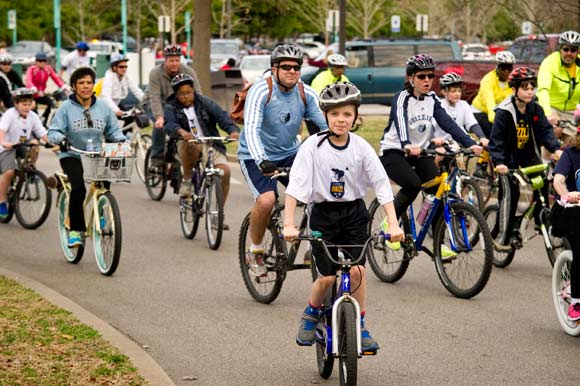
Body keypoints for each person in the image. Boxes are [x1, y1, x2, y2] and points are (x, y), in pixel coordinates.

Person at [283, 82, 404, 351]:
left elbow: (382, 186)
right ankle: (311, 313)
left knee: (358, 271)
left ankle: (359, 325)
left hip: (354, 214)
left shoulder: (361, 147)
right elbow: (296, 188)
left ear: (355, 117)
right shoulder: (312, 147)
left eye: (347, 114)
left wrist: (393, 224)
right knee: (326, 278)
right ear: (325, 115)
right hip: (323, 215)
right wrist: (289, 224)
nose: (341, 120)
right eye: (335, 114)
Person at [237, 43, 328, 275]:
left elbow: (326, 124)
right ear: (274, 69)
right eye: (286, 67)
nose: (292, 71)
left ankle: (312, 247)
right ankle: (255, 250)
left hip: (289, 153)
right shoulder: (261, 90)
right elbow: (252, 129)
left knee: (319, 193)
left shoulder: (305, 93)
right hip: (256, 155)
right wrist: (261, 160)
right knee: (267, 201)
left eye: (296, 67)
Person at [379, 54, 482, 256]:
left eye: (430, 76)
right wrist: (407, 144)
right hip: (394, 151)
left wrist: (470, 143)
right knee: (412, 185)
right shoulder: (401, 98)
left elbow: (448, 123)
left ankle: (439, 245)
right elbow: (400, 121)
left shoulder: (433, 99)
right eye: (422, 76)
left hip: (421, 152)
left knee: (437, 191)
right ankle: (388, 224)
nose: (427, 80)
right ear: (411, 78)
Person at [47, 67, 126, 247]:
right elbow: (53, 131)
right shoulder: (66, 107)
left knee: (105, 184)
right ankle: (75, 229)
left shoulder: (103, 107)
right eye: (81, 83)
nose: (86, 86)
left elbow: (113, 130)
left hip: (96, 154)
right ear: (74, 86)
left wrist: (122, 141)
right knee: (78, 189)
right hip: (72, 154)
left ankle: (102, 214)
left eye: (89, 82)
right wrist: (61, 139)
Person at [488, 67, 562, 247]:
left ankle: (540, 220)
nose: (530, 91)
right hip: (508, 160)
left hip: (528, 156)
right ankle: (504, 235)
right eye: (525, 88)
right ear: (514, 89)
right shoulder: (504, 112)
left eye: (532, 87)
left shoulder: (535, 108)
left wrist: (555, 149)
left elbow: (545, 131)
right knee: (511, 194)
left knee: (543, 185)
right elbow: (495, 141)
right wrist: (499, 162)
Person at [163, 73, 240, 228]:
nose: (186, 97)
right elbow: (169, 125)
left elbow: (222, 116)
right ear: (176, 95)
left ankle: (217, 214)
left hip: (210, 143)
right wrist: (181, 132)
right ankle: (187, 181)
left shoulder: (204, 102)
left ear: (194, 91)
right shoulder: (171, 107)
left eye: (189, 93)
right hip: (186, 143)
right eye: (182, 94)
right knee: (193, 145)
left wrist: (232, 130)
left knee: (225, 172)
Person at [145, 44, 202, 168]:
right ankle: (156, 157)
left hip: (175, 105)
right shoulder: (155, 73)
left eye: (177, 60)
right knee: (161, 125)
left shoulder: (188, 71)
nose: (174, 64)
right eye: (171, 61)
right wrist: (159, 117)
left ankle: (173, 153)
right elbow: (154, 97)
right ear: (165, 60)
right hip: (154, 103)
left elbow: (197, 94)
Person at [0, 88, 49, 219]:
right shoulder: (9, 114)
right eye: (23, 104)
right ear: (16, 104)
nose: (27, 107)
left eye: (29, 104)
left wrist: (53, 143)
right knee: (9, 172)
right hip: (7, 148)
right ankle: (2, 201)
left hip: (21, 145)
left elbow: (42, 132)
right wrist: (3, 141)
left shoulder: (32, 116)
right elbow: (2, 129)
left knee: (35, 146)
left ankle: (30, 170)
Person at [552, 106, 580, 320]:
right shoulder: (570, 154)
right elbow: (559, 179)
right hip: (569, 210)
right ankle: (577, 301)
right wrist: (567, 194)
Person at [470, 51, 516, 176]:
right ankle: (481, 165)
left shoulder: (511, 83)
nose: (506, 71)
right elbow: (490, 107)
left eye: (509, 68)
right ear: (497, 67)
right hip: (479, 111)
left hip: (498, 113)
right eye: (503, 67)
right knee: (495, 135)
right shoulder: (488, 81)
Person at [432, 72, 488, 163]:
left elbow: (472, 124)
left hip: (459, 144)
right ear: (444, 92)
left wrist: (482, 137)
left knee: (461, 167)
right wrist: (435, 140)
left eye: (459, 91)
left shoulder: (464, 105)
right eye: (453, 91)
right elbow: (432, 126)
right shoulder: (439, 105)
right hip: (442, 144)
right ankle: (436, 175)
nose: (457, 94)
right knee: (439, 157)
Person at [537, 31, 580, 134]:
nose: (569, 53)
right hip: (552, 107)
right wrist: (547, 114)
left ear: (578, 51)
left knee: (573, 144)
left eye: (573, 50)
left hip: (572, 110)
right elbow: (543, 90)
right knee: (554, 133)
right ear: (560, 49)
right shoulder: (550, 62)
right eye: (566, 49)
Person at [25, 52, 66, 124]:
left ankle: (44, 120)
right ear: (36, 61)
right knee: (33, 109)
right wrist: (32, 87)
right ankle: (34, 124)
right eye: (40, 61)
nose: (42, 63)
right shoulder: (32, 69)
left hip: (41, 94)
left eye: (44, 61)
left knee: (51, 103)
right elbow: (28, 79)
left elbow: (55, 78)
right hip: (32, 94)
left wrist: (63, 86)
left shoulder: (48, 69)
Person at [100, 53, 144, 118]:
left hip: (116, 104)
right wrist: (116, 110)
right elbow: (106, 96)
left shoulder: (126, 76)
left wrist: (147, 101)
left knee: (130, 118)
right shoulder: (109, 77)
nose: (124, 69)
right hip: (104, 107)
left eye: (126, 66)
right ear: (114, 67)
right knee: (112, 125)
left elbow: (136, 90)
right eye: (121, 67)